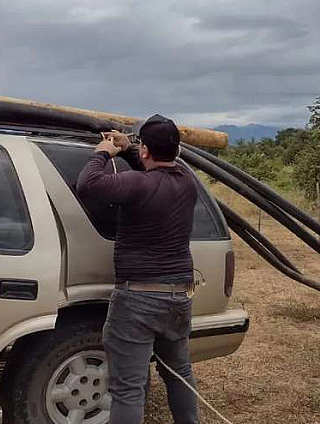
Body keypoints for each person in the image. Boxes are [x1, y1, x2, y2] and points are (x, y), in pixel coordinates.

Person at [76, 114, 199, 424]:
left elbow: (88, 186)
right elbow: (150, 164)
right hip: (178, 298)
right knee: (179, 372)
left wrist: (104, 151)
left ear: (146, 150)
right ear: (177, 149)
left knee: (128, 390)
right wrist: (129, 146)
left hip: (137, 300)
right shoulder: (187, 180)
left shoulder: (136, 184)